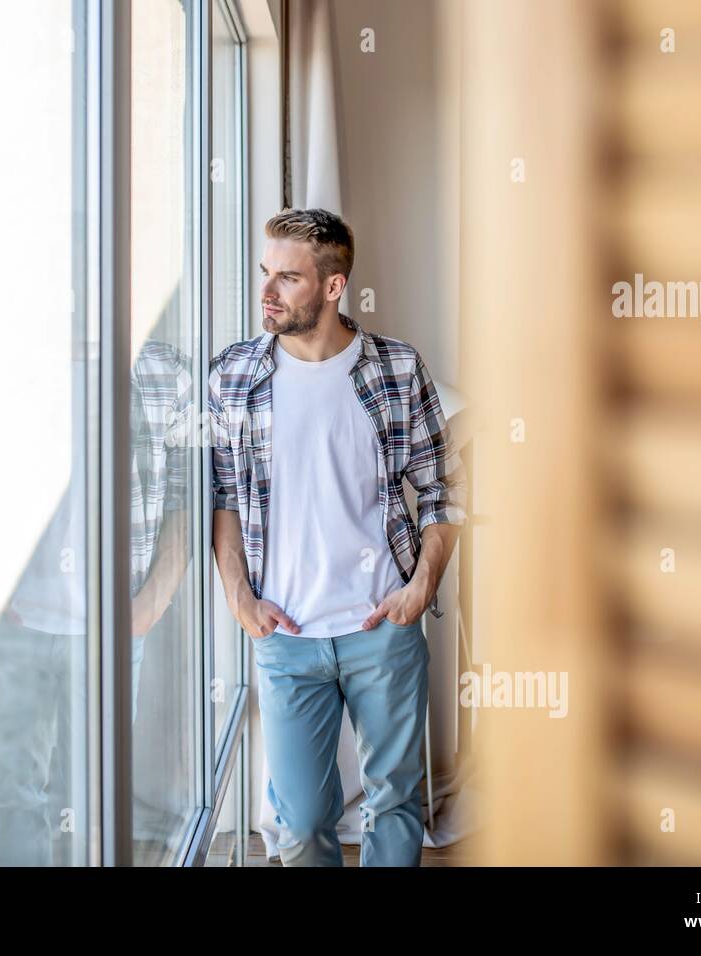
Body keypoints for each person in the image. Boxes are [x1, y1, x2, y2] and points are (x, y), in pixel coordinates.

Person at [208, 207, 466, 866]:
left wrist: (420, 589)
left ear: (332, 286)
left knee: (396, 803)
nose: (265, 292)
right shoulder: (234, 378)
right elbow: (225, 498)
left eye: (287, 278)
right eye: (266, 273)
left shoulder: (399, 370)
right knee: (298, 824)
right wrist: (240, 598)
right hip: (285, 636)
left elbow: (442, 495)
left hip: (382, 625)